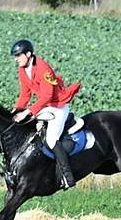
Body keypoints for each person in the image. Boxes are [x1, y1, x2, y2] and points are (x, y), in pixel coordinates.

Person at [10, 39, 81, 189]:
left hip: (57, 106)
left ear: (28, 54)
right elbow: (25, 95)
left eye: (18, 56)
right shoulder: (23, 70)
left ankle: (67, 177)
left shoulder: (43, 68)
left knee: (51, 139)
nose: (16, 59)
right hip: (45, 106)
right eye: (15, 56)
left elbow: (48, 95)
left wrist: (28, 112)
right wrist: (16, 111)